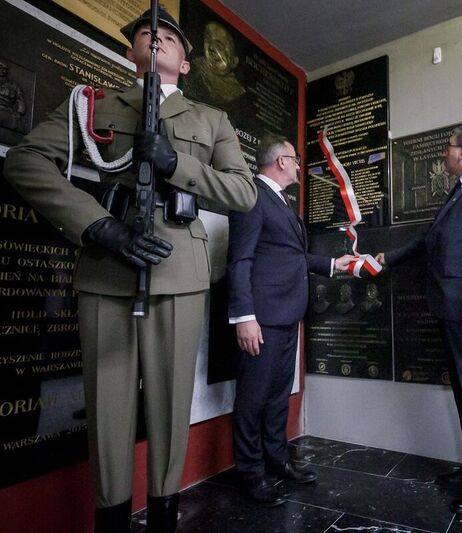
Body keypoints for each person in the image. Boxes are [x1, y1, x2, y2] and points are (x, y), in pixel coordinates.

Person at [4, 8, 256, 532]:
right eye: (146, 33)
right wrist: (96, 226)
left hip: (178, 275)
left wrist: (175, 164)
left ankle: (164, 515)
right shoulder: (91, 105)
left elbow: (244, 192)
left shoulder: (212, 121)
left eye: (169, 36)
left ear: (185, 64)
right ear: (129, 53)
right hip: (107, 268)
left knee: (167, 408)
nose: (157, 38)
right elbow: (24, 160)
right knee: (107, 408)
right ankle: (112, 519)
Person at [376, 124, 462, 515]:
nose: (444, 154)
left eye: (448, 148)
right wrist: (389, 257)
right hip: (450, 309)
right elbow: (429, 239)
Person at [227, 134, 354, 505]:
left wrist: (333, 264)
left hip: (286, 316)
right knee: (252, 399)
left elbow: (291, 255)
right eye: (295, 159)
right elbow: (240, 261)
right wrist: (244, 317)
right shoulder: (252, 198)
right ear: (281, 161)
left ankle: (277, 460)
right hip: (261, 318)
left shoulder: (283, 202)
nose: (299, 165)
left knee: (279, 395)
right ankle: (251, 474)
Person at [182, 21, 245, 108]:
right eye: (208, 40)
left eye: (220, 45)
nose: (211, 48)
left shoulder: (238, 93)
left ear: (234, 61)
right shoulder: (191, 70)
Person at [0, 61, 26, 131]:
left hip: (8, 112)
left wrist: (19, 113)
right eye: (0, 68)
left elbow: (21, 100)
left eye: (3, 69)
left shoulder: (14, 86)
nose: (2, 71)